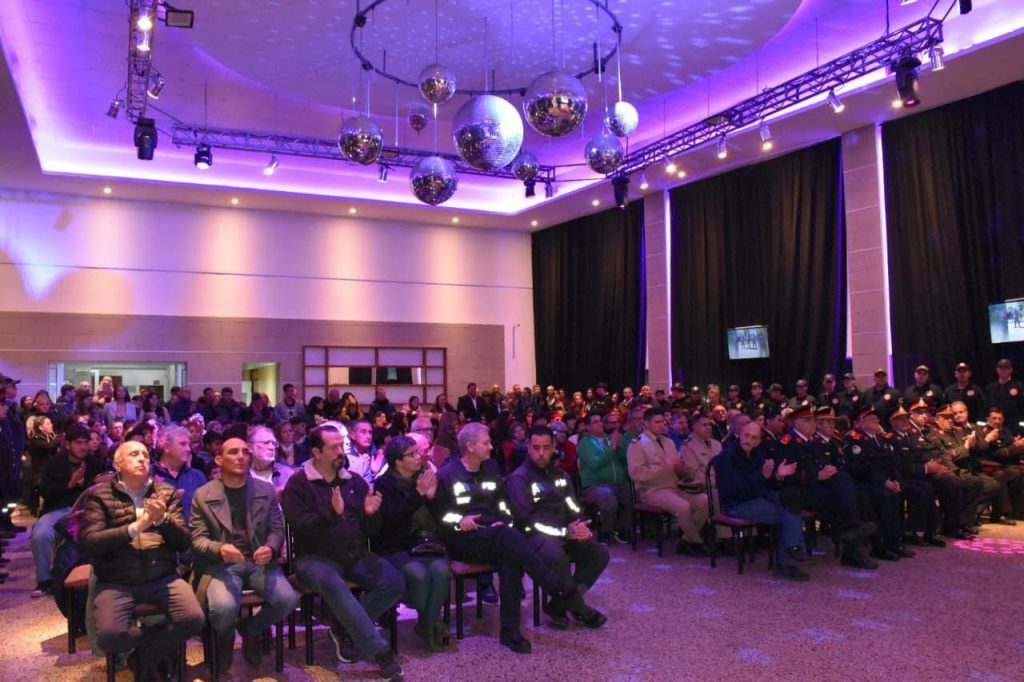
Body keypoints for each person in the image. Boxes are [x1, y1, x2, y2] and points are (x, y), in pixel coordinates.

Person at [433, 422, 587, 654]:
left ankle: (510, 631)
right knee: (507, 539)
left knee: (510, 556)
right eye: (486, 443)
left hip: (495, 535)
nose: (491, 446)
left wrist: (503, 520)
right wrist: (459, 520)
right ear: (470, 446)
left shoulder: (491, 468)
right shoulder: (447, 474)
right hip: (463, 540)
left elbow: (504, 505)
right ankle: (552, 585)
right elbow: (440, 516)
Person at [280, 425, 404, 680]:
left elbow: (370, 530)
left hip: (353, 554)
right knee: (335, 584)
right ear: (316, 452)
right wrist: (330, 513)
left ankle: (342, 628)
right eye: (333, 447)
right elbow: (301, 528)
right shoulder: (299, 484)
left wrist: (371, 515)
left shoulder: (354, 482)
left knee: (393, 583)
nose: (341, 452)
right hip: (313, 558)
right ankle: (380, 652)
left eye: (342, 446)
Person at [78, 441, 204, 681]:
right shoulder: (99, 496)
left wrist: (162, 520)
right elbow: (89, 542)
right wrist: (135, 528)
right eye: (134, 454)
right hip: (117, 579)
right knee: (110, 636)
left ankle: (143, 655)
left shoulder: (165, 492)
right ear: (117, 464)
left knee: (194, 619)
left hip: (162, 576)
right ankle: (154, 650)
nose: (142, 459)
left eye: (145, 455)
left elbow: (183, 541)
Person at [190, 437, 298, 674]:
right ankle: (226, 636)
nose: (241, 456)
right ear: (219, 460)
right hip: (222, 564)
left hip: (259, 562)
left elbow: (277, 528)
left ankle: (251, 629)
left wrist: (271, 547)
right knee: (222, 609)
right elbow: (197, 540)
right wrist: (219, 549)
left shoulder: (264, 490)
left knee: (287, 600)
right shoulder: (203, 494)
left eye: (245, 452)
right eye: (233, 452)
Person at [507, 426, 608, 630]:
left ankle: (559, 605)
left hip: (564, 531)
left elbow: (572, 507)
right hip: (534, 536)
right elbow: (527, 521)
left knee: (599, 554)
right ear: (529, 448)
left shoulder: (561, 475)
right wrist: (565, 532)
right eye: (536, 448)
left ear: (554, 447)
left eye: (546, 448)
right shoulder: (520, 478)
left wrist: (578, 524)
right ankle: (581, 610)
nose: (541, 453)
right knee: (556, 556)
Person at [372, 436, 451, 652]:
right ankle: (429, 624)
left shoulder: (424, 477)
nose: (419, 457)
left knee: (442, 570)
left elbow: (442, 515)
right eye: (412, 454)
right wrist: (418, 494)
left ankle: (426, 625)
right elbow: (393, 520)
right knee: (419, 574)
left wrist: (432, 497)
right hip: (395, 546)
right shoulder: (384, 484)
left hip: (425, 543)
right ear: (398, 461)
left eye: (418, 452)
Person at [776, 405, 877, 569]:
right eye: (809, 421)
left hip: (817, 489)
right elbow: (786, 476)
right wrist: (817, 475)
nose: (813, 424)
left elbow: (822, 465)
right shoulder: (788, 442)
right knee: (845, 493)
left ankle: (852, 543)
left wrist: (827, 471)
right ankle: (851, 531)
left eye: (813, 421)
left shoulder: (812, 442)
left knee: (850, 490)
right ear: (797, 423)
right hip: (800, 492)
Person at [714, 421, 810, 581]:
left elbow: (768, 484)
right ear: (740, 434)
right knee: (787, 514)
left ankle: (791, 553)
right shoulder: (727, 457)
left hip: (758, 497)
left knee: (790, 500)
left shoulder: (757, 455)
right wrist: (762, 476)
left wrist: (778, 475)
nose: (748, 440)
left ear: (759, 441)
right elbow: (735, 490)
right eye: (746, 435)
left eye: (754, 438)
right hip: (736, 504)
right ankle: (788, 558)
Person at [31, 423, 108, 597]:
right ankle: (44, 580)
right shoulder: (54, 463)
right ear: (68, 444)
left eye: (85, 442)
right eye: (78, 443)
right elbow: (45, 491)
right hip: (57, 510)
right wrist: (70, 484)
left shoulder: (95, 463)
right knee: (40, 535)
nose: (83, 447)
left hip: (87, 510)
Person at [626, 408, 709, 557]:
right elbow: (636, 473)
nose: (661, 425)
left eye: (663, 422)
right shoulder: (637, 444)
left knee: (705, 501)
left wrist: (684, 471)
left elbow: (677, 468)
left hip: (675, 486)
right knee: (683, 507)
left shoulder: (669, 442)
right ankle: (696, 542)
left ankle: (686, 540)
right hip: (652, 490)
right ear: (646, 423)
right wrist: (662, 467)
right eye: (657, 422)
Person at [844, 406, 914, 561]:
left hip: (885, 482)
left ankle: (894, 542)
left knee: (896, 496)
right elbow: (861, 469)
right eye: (871, 418)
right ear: (859, 423)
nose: (876, 420)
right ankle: (880, 546)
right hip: (866, 484)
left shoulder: (882, 439)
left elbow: (893, 463)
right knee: (883, 498)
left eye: (876, 418)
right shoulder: (855, 441)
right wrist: (884, 482)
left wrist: (896, 480)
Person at [150, 425, 207, 523]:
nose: (188, 449)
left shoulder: (198, 476)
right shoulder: (149, 474)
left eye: (189, 445)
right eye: (183, 444)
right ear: (166, 447)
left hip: (194, 531)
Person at [976, 406, 1024, 518]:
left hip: (1006, 464)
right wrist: (1016, 446)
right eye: (994, 418)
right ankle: (1007, 512)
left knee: (1020, 471)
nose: (997, 421)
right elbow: (995, 454)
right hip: (991, 465)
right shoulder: (983, 432)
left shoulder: (1006, 431)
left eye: (1000, 418)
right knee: (1015, 474)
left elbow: (1009, 447)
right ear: (988, 419)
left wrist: (1017, 444)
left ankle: (1019, 510)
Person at [248, 425, 294, 493]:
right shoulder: (240, 473)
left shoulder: (287, 474)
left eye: (274, 443)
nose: (271, 447)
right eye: (266, 443)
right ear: (250, 447)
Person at [986, 359, 1024, 436]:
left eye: (1006, 368)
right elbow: (986, 407)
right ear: (997, 370)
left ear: (1011, 370)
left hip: (1013, 426)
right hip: (994, 425)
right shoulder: (991, 387)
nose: (1003, 370)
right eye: (1000, 368)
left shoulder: (1019, 386)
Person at [347, 418, 386, 485]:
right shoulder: (345, 458)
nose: (368, 436)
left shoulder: (379, 458)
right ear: (353, 435)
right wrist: (359, 466)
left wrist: (374, 473)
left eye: (370, 432)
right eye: (363, 432)